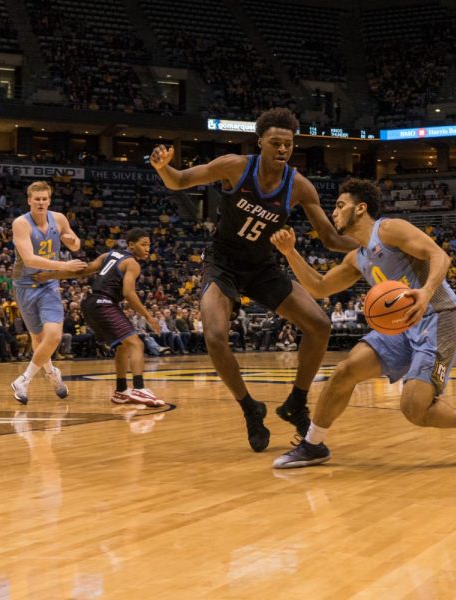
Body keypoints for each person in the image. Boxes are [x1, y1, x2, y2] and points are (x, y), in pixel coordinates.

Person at [150, 108, 358, 451]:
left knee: (320, 325)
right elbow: (181, 181)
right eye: (275, 142)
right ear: (260, 142)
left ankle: (296, 401)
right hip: (223, 263)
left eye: (288, 144)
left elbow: (331, 239)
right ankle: (250, 407)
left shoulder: (300, 187)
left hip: (263, 266)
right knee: (215, 336)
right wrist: (162, 167)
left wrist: (377, 243)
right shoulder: (235, 166)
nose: (282, 149)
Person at [269, 178, 456, 469]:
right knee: (345, 371)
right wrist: (290, 253)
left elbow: (439, 255)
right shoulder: (356, 258)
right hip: (399, 326)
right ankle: (313, 445)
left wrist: (425, 292)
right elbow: (320, 287)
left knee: (413, 408)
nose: (333, 213)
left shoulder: (388, 229)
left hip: (439, 316)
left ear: (360, 208)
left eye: (340, 206)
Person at [36, 228, 164, 407]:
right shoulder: (132, 263)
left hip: (90, 303)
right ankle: (139, 388)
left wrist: (49, 275)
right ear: (131, 245)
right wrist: (149, 316)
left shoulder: (108, 255)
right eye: (143, 244)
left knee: (124, 346)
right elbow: (128, 292)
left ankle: (121, 391)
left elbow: (82, 271)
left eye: (149, 245)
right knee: (136, 344)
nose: (147, 249)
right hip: (104, 303)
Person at [10, 181, 86, 405]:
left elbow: (76, 246)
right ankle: (52, 372)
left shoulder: (59, 219)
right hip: (24, 284)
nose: (41, 202)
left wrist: (72, 241)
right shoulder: (21, 224)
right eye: (37, 199)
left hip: (49, 283)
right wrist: (65, 267)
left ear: (49, 200)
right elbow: (30, 259)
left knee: (53, 335)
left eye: (44, 199)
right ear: (29, 200)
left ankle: (24, 380)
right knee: (39, 338)